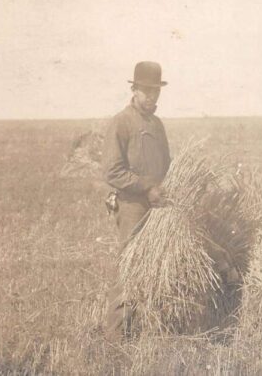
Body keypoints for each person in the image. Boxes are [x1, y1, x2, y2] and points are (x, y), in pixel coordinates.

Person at [102, 61, 171, 341]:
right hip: (132, 206)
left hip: (157, 205)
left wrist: (165, 188)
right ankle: (115, 339)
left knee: (153, 266)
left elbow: (167, 163)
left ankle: (143, 330)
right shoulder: (122, 121)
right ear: (135, 89)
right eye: (147, 91)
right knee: (128, 268)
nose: (152, 97)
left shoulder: (157, 124)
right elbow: (112, 170)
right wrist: (146, 188)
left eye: (156, 91)